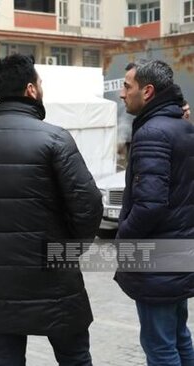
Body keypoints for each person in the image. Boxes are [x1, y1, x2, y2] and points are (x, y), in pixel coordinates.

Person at [0, 54, 102, 365]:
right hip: (56, 275)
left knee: (7, 359)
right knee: (74, 358)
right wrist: (68, 249)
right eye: (41, 83)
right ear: (31, 90)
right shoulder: (55, 138)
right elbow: (88, 206)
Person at [114, 59, 194, 366]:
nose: (122, 94)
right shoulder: (182, 127)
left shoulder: (153, 133)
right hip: (179, 254)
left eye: (127, 86)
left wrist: (123, 239)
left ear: (147, 91)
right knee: (178, 337)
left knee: (160, 346)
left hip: (158, 260)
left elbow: (149, 205)